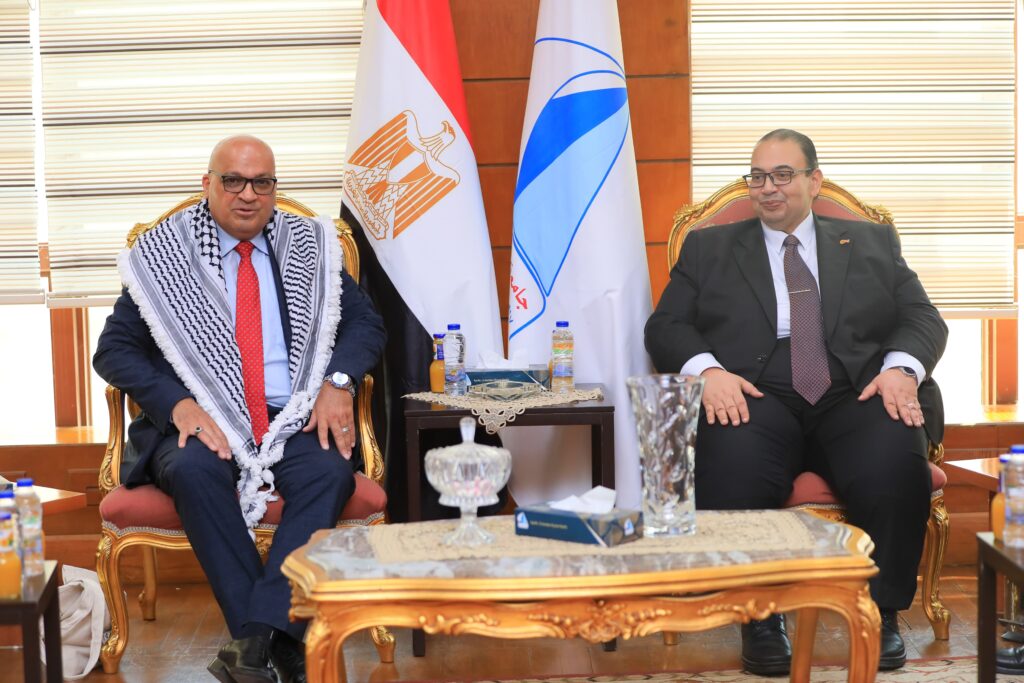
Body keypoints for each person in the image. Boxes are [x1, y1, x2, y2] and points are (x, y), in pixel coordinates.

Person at [645, 129, 946, 675]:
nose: (768, 187)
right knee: (732, 460)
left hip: (856, 388)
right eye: (757, 176)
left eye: (783, 175)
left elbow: (922, 317)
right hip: (753, 391)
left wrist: (902, 370)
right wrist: (708, 372)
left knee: (894, 459)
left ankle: (879, 612)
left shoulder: (871, 242)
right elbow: (665, 326)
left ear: (814, 180)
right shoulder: (709, 249)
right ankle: (759, 616)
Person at [94, 135, 386, 683]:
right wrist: (177, 405)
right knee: (193, 470)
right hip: (201, 421)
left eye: (262, 182)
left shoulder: (308, 248)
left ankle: (251, 646)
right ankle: (280, 643)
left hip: (291, 415)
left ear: (274, 188)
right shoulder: (166, 255)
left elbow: (365, 325)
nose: (248, 194)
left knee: (329, 472)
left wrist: (338, 381)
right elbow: (113, 350)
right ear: (208, 184)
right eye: (233, 180)